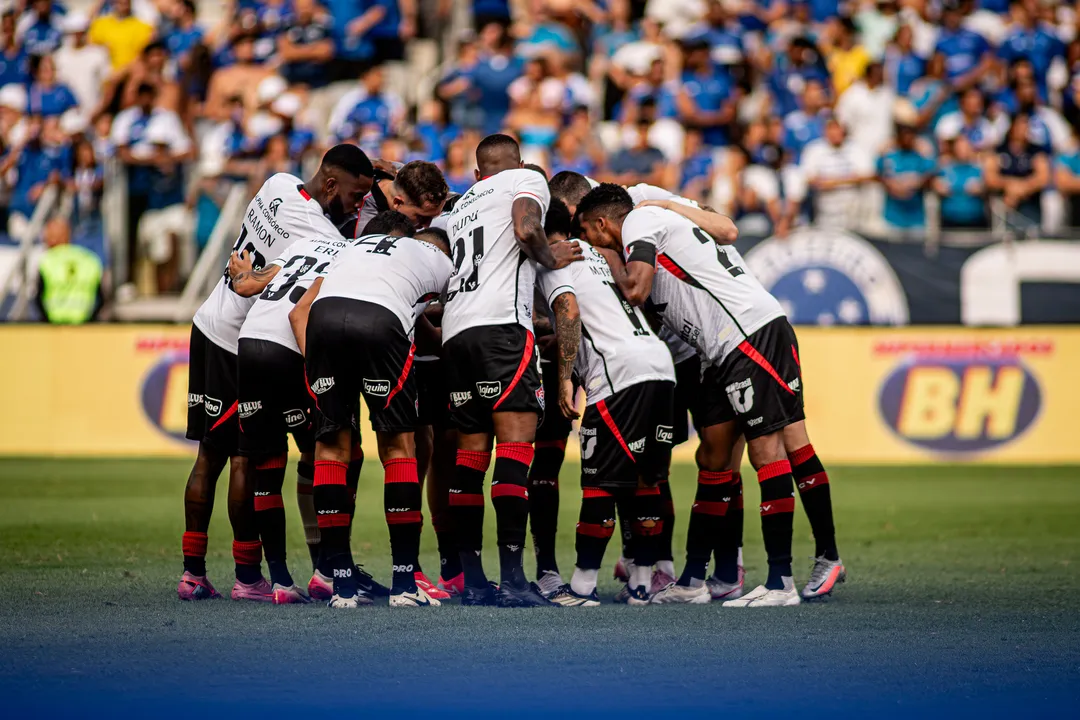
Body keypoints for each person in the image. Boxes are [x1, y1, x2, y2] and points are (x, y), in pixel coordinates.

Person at [576, 184, 805, 607]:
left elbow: (636, 289)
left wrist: (592, 274)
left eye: (589, 235)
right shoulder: (659, 222)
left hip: (748, 334)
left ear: (603, 224)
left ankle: (780, 582)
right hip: (724, 350)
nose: (590, 244)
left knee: (767, 453)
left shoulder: (639, 222)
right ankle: (695, 580)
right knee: (714, 459)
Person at [178, 144, 374, 603]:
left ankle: (194, 572)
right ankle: (250, 575)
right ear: (330, 185)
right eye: (356, 193)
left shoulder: (277, 184)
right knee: (254, 457)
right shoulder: (320, 231)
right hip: (242, 340)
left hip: (210, 320)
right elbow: (346, 256)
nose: (360, 203)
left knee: (210, 457)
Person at [440, 133, 582, 607]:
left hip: (455, 333)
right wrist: (549, 255)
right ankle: (515, 580)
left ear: (478, 173)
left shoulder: (461, 205)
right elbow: (526, 229)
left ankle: (474, 581)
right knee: (516, 452)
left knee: (470, 458)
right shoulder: (526, 179)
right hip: (501, 328)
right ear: (519, 163)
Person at [288, 220, 455, 608]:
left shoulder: (355, 248)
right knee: (398, 447)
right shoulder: (437, 257)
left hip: (324, 321)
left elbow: (303, 309)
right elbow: (463, 308)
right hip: (380, 323)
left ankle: (341, 584)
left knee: (330, 448)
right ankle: (403, 583)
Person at [536, 199, 677, 607]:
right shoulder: (602, 254)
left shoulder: (553, 262)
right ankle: (640, 584)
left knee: (600, 482)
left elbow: (569, 310)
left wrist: (565, 380)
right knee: (646, 480)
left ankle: (581, 586)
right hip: (659, 365)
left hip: (618, 376)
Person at [338, 159, 448, 237]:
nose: (427, 225)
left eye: (433, 216)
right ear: (398, 202)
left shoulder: (402, 171)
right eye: (421, 217)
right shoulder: (364, 229)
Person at [984, 113, 1050, 232]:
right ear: (1012, 127)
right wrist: (1010, 185)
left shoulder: (1035, 151)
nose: (1025, 129)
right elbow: (990, 177)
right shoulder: (999, 150)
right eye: (1021, 125)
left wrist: (1022, 188)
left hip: (1030, 202)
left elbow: (1043, 177)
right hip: (1004, 203)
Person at [35, 218, 103, 324]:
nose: (45, 239)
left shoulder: (47, 261)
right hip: (85, 327)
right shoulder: (90, 259)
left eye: (48, 236)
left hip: (54, 328)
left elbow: (38, 298)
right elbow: (101, 298)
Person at [877, 122, 936, 231]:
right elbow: (879, 175)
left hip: (916, 219)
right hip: (892, 218)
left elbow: (930, 176)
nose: (907, 139)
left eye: (910, 136)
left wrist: (916, 183)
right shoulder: (890, 157)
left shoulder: (920, 156)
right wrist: (894, 186)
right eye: (904, 136)